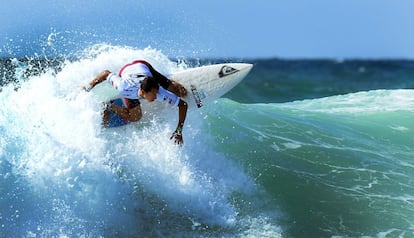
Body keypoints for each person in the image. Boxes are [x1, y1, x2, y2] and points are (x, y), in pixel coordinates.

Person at [84, 60, 188, 145]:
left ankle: (169, 81)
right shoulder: (123, 87)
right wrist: (88, 87)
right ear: (143, 92)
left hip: (143, 66)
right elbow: (106, 73)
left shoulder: (159, 92)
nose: (156, 96)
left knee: (177, 91)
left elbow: (183, 105)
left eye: (157, 93)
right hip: (127, 71)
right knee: (135, 117)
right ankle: (109, 107)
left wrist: (179, 130)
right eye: (153, 94)